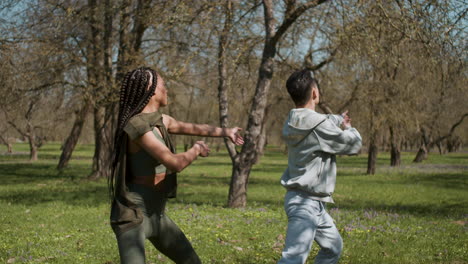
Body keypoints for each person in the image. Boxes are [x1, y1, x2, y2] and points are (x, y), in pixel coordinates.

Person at [109, 67, 244, 264]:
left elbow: (195, 128)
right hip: (133, 216)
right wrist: (196, 150)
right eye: (164, 85)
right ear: (151, 89)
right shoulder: (137, 127)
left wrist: (227, 131)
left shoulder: (160, 120)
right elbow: (174, 163)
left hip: (157, 214)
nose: (167, 90)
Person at [277, 69, 362, 264]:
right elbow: (353, 145)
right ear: (315, 93)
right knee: (292, 259)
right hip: (304, 205)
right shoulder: (319, 126)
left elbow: (319, 123)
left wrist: (338, 119)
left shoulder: (292, 120)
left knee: (333, 249)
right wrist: (349, 128)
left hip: (311, 203)